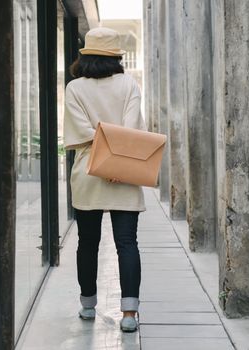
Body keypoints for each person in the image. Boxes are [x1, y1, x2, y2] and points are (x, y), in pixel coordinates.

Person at [63, 27, 146, 333]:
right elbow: (133, 127)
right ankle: (128, 313)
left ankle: (88, 304)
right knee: (127, 243)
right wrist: (116, 156)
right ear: (116, 57)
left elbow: (81, 132)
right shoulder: (128, 84)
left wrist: (101, 152)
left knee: (88, 242)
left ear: (85, 56)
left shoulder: (74, 89)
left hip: (88, 172)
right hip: (124, 169)